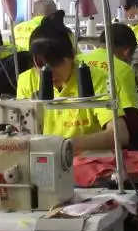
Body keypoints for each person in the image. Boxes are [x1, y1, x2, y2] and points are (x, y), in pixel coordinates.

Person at [15, 15, 129, 153]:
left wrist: (68, 145)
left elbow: (120, 134)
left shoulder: (94, 78)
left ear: (73, 56)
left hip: (88, 159)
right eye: (41, 66)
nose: (49, 74)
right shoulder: (27, 80)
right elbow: (22, 133)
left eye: (56, 64)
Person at [77, 24, 138, 135]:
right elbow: (132, 114)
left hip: (73, 128)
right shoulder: (123, 68)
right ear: (127, 52)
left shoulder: (77, 61)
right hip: (104, 134)